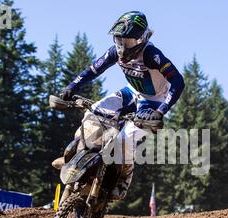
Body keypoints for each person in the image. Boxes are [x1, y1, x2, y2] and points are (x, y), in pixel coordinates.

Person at [60, 11, 185, 200]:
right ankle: (75, 152)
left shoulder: (151, 54)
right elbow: (93, 69)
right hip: (130, 93)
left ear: (142, 39)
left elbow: (178, 81)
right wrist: (71, 88)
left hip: (154, 101)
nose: (122, 46)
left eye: (128, 42)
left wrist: (161, 111)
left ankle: (124, 176)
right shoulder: (114, 52)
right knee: (92, 114)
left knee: (126, 139)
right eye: (119, 40)